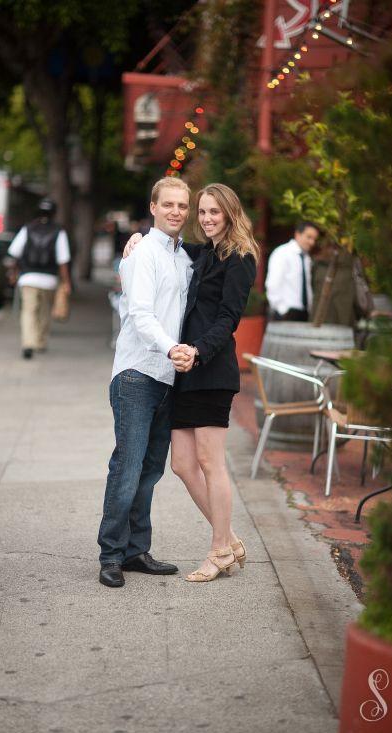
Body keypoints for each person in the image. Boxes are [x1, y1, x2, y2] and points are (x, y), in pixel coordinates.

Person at [125, 183, 258, 583]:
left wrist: (198, 351)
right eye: (202, 212)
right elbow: (165, 246)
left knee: (210, 463)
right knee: (182, 464)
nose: (206, 218)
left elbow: (228, 320)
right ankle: (230, 538)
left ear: (230, 213)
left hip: (212, 370)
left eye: (214, 212)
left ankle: (219, 549)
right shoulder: (203, 253)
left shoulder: (240, 258)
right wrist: (139, 236)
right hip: (186, 370)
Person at [97, 177, 195, 588]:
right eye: (168, 204)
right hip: (137, 374)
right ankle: (111, 555)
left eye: (182, 206)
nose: (176, 211)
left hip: (168, 378)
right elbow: (139, 313)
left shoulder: (184, 258)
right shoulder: (143, 254)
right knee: (128, 465)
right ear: (153, 207)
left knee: (151, 470)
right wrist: (172, 347)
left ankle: (137, 550)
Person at [8, 198, 71, 359]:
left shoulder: (27, 229)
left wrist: (13, 273)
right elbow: (63, 261)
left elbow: (15, 253)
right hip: (49, 279)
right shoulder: (59, 232)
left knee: (28, 311)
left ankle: (28, 343)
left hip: (28, 277)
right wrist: (66, 282)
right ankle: (40, 342)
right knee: (44, 311)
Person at [265, 221, 319, 321]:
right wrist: (282, 310)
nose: (312, 242)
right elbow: (273, 284)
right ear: (298, 234)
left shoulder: (307, 258)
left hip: (304, 312)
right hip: (286, 312)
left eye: (314, 239)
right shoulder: (282, 253)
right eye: (309, 237)